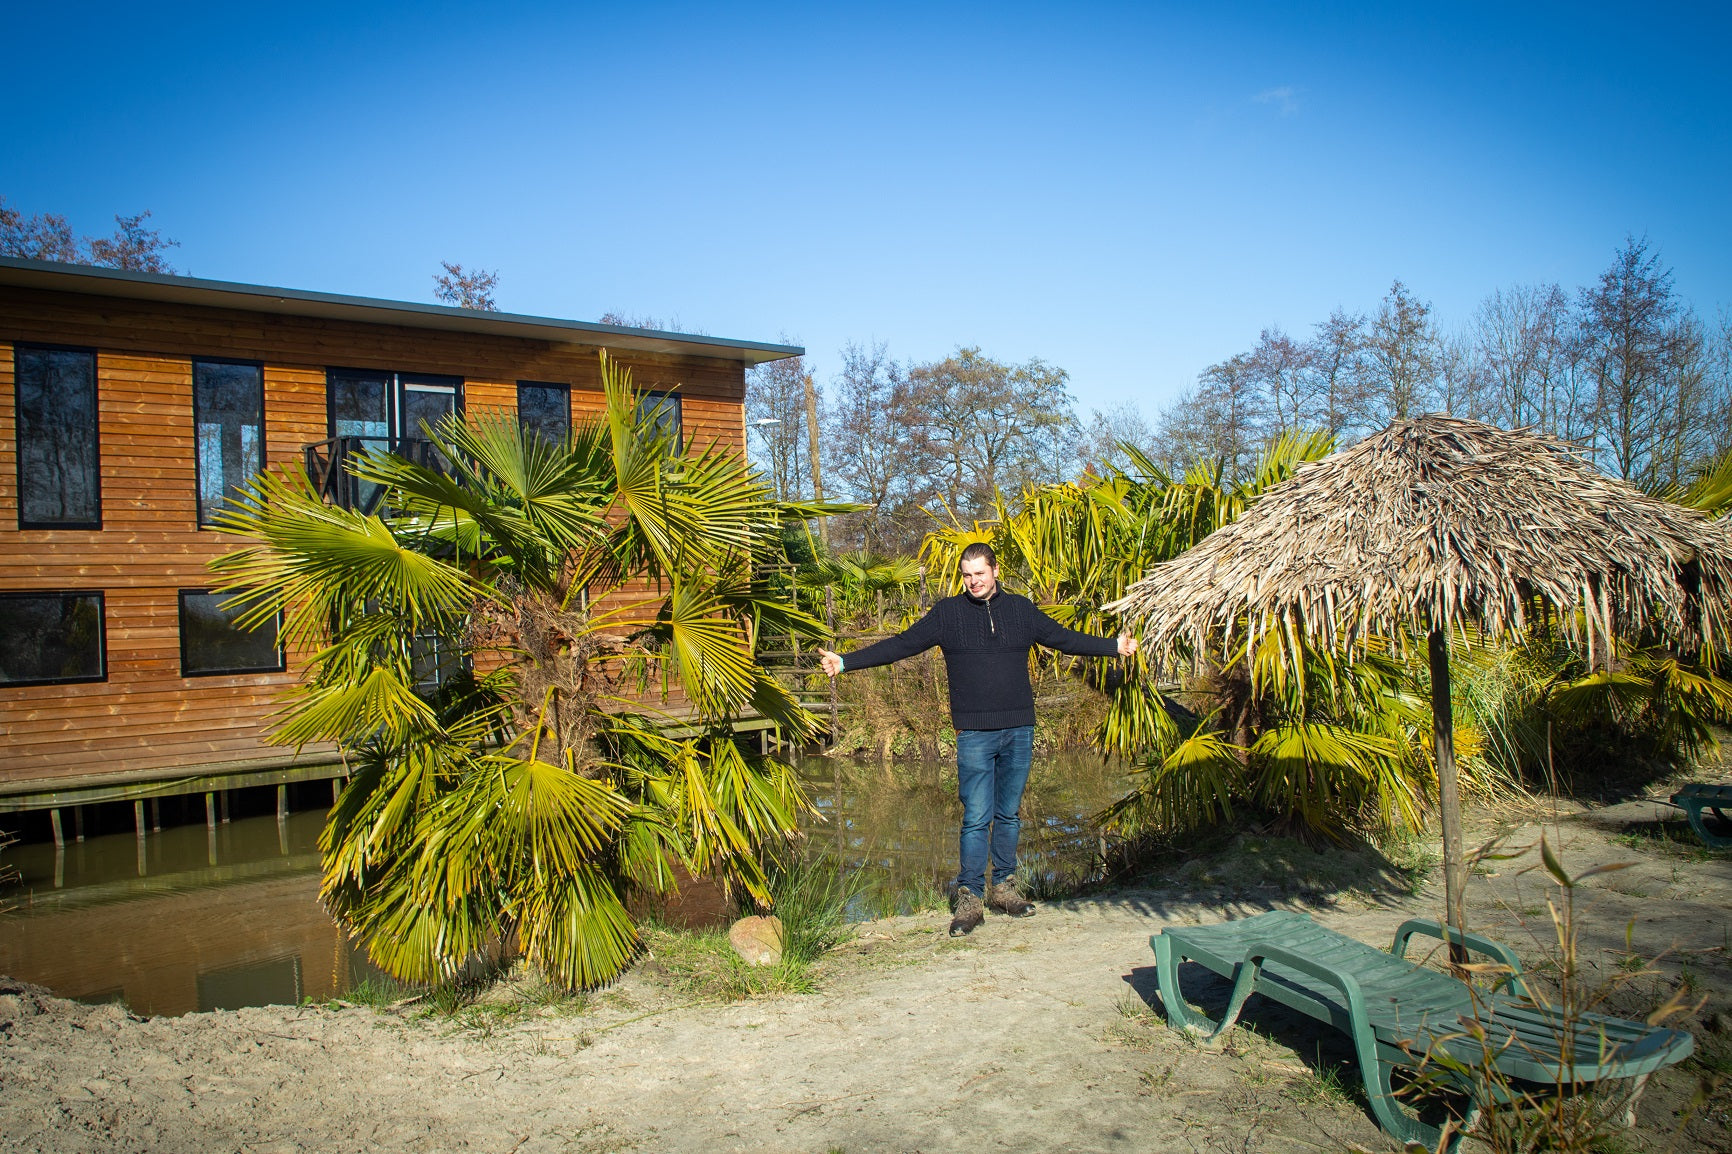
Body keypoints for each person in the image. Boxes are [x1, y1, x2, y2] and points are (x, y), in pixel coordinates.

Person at [817, 542, 1137, 936]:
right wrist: (846, 661)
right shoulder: (947, 614)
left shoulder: (1020, 610)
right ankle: (969, 898)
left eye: (980, 574)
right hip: (974, 734)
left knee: (1009, 814)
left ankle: (1004, 888)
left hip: (1020, 728)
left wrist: (1113, 647)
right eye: (967, 575)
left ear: (995, 571)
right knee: (976, 818)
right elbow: (901, 645)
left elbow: (1062, 638)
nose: (973, 581)